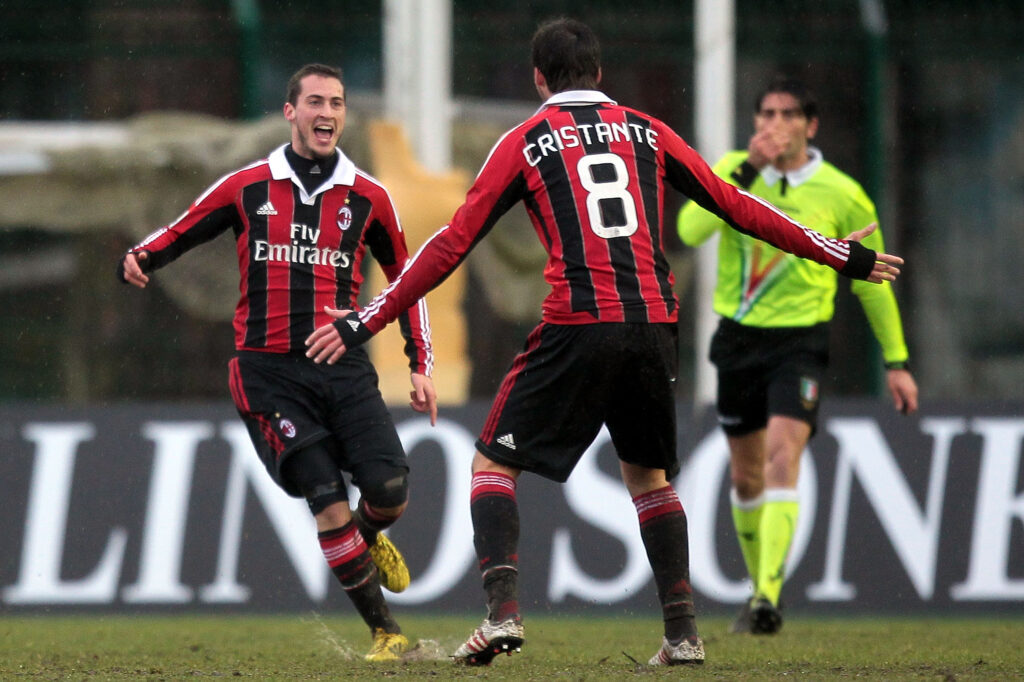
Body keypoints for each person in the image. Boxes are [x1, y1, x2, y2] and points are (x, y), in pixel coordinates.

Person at [305, 20, 903, 667]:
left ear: (539, 78)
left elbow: (453, 242)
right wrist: (840, 255)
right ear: (600, 74)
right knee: (648, 478)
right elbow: (735, 205)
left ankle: (502, 615)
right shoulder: (647, 130)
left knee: (492, 468)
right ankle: (682, 634)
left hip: (579, 320)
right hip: (653, 324)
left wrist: (368, 319)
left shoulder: (527, 141)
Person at [117, 63, 438, 662]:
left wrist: (420, 361)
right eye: (314, 101)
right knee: (325, 494)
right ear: (290, 111)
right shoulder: (247, 185)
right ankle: (387, 634)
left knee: (390, 491)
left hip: (342, 368)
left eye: (337, 103)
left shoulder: (368, 196)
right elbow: (184, 228)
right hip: (269, 375)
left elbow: (408, 281)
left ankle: (369, 538)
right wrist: (140, 256)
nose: (327, 113)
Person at [677, 75, 919, 635]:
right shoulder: (734, 169)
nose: (773, 125)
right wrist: (744, 175)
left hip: (801, 343)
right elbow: (690, 230)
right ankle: (757, 585)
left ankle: (766, 595)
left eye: (787, 115)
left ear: (810, 127)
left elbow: (871, 280)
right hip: (738, 338)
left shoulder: (842, 192)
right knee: (745, 477)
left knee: (785, 454)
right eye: (765, 114)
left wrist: (897, 361)